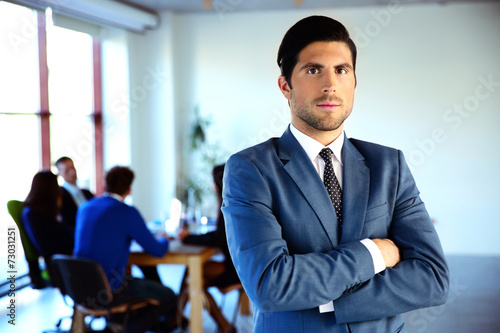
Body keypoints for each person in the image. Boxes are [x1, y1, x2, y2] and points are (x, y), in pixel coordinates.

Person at [222, 16, 449, 332]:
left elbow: (432, 278)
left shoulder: (388, 165)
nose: (330, 84)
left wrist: (328, 298)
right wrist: (373, 253)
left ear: (354, 81)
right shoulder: (251, 168)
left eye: (342, 70)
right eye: (313, 70)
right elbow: (270, 286)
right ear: (285, 85)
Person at [74, 166, 179, 332]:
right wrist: (165, 239)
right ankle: (122, 329)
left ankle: (117, 324)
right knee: (170, 296)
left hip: (78, 288)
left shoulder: (84, 207)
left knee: (136, 281)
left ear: (105, 184)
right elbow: (157, 251)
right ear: (129, 190)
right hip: (109, 289)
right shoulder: (127, 212)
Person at [178, 164, 239, 333]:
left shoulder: (229, 204)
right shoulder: (236, 199)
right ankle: (225, 327)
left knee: (193, 275)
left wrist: (188, 238)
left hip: (236, 270)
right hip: (241, 265)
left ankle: (173, 318)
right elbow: (219, 235)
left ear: (218, 183)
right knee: (196, 282)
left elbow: (217, 239)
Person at [22, 171, 74, 282]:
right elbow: (45, 246)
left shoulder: (52, 210)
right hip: (59, 263)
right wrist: (74, 238)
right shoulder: (31, 214)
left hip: (68, 257)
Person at [55, 156, 94, 228]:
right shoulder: (59, 196)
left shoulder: (87, 193)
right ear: (59, 174)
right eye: (67, 170)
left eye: (73, 167)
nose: (72, 172)